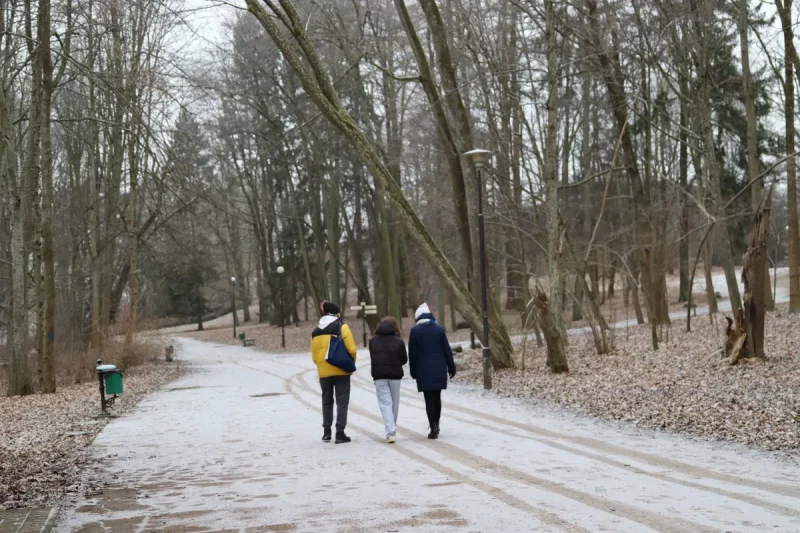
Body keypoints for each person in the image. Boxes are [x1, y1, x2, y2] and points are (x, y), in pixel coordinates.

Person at [311, 302, 357, 443]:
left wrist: (321, 365)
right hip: (341, 370)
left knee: (326, 401)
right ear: (337, 314)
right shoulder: (342, 327)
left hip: (324, 372)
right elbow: (352, 349)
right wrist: (350, 363)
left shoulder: (315, 331)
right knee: (342, 402)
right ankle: (340, 432)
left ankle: (326, 432)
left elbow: (314, 356)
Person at [408, 303, 455, 440]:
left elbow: (412, 354)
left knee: (428, 398)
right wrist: (451, 367)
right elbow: (447, 350)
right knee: (437, 397)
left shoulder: (415, 331)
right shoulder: (439, 330)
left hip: (423, 370)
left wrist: (413, 371)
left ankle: (433, 427)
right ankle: (437, 423)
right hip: (439, 369)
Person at [368, 316, 408, 443]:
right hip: (395, 376)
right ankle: (392, 429)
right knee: (394, 403)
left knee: (385, 403)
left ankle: (390, 430)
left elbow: (373, 357)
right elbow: (404, 360)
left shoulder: (372, 341)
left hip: (379, 376)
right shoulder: (398, 340)